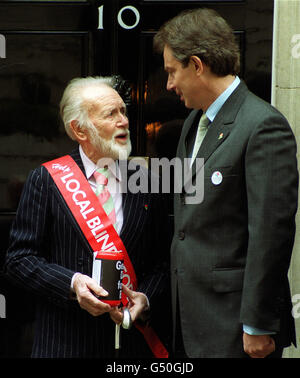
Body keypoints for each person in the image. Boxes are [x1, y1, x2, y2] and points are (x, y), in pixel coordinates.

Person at [153, 8, 298, 358]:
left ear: (198, 65)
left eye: (172, 72)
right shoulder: (192, 124)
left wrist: (258, 324)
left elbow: (270, 232)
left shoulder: (263, 126)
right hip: (190, 321)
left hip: (236, 327)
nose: (169, 84)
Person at [4, 76, 170, 358]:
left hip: (128, 347)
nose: (124, 121)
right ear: (80, 130)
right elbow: (19, 260)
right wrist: (72, 284)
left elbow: (163, 261)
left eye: (123, 111)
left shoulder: (146, 182)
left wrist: (146, 299)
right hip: (64, 343)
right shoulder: (46, 180)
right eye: (110, 114)